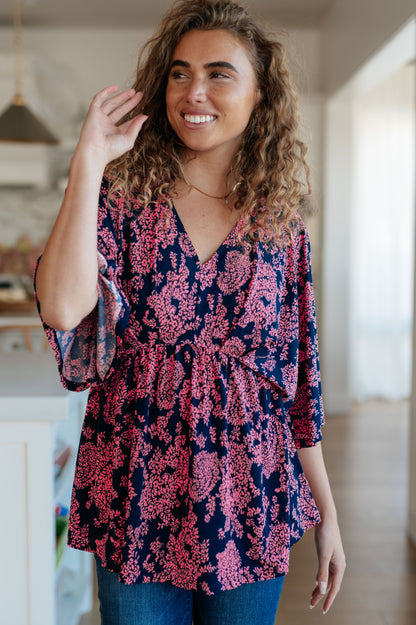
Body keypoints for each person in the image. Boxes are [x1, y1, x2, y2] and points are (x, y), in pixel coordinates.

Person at [35, 1, 346, 623]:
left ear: (261, 94)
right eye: (180, 73)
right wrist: (88, 162)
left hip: (249, 493)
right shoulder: (124, 199)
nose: (193, 91)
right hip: (136, 488)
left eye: (218, 74)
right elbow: (64, 309)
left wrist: (328, 514)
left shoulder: (280, 226)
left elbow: (298, 384)